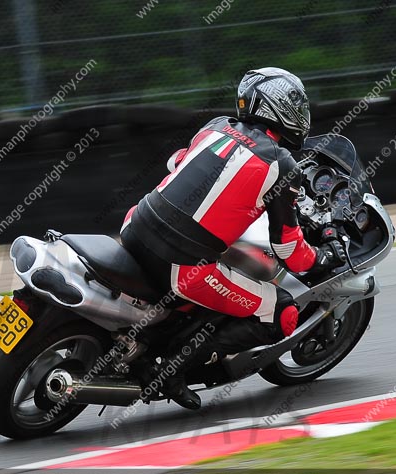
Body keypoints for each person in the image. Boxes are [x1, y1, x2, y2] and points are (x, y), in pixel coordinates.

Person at [120, 67, 347, 409]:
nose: (302, 114)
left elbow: (176, 163)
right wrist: (323, 257)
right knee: (281, 313)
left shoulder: (215, 126)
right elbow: (288, 249)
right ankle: (171, 369)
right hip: (181, 267)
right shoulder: (282, 165)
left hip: (134, 226)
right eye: (297, 105)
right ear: (279, 107)